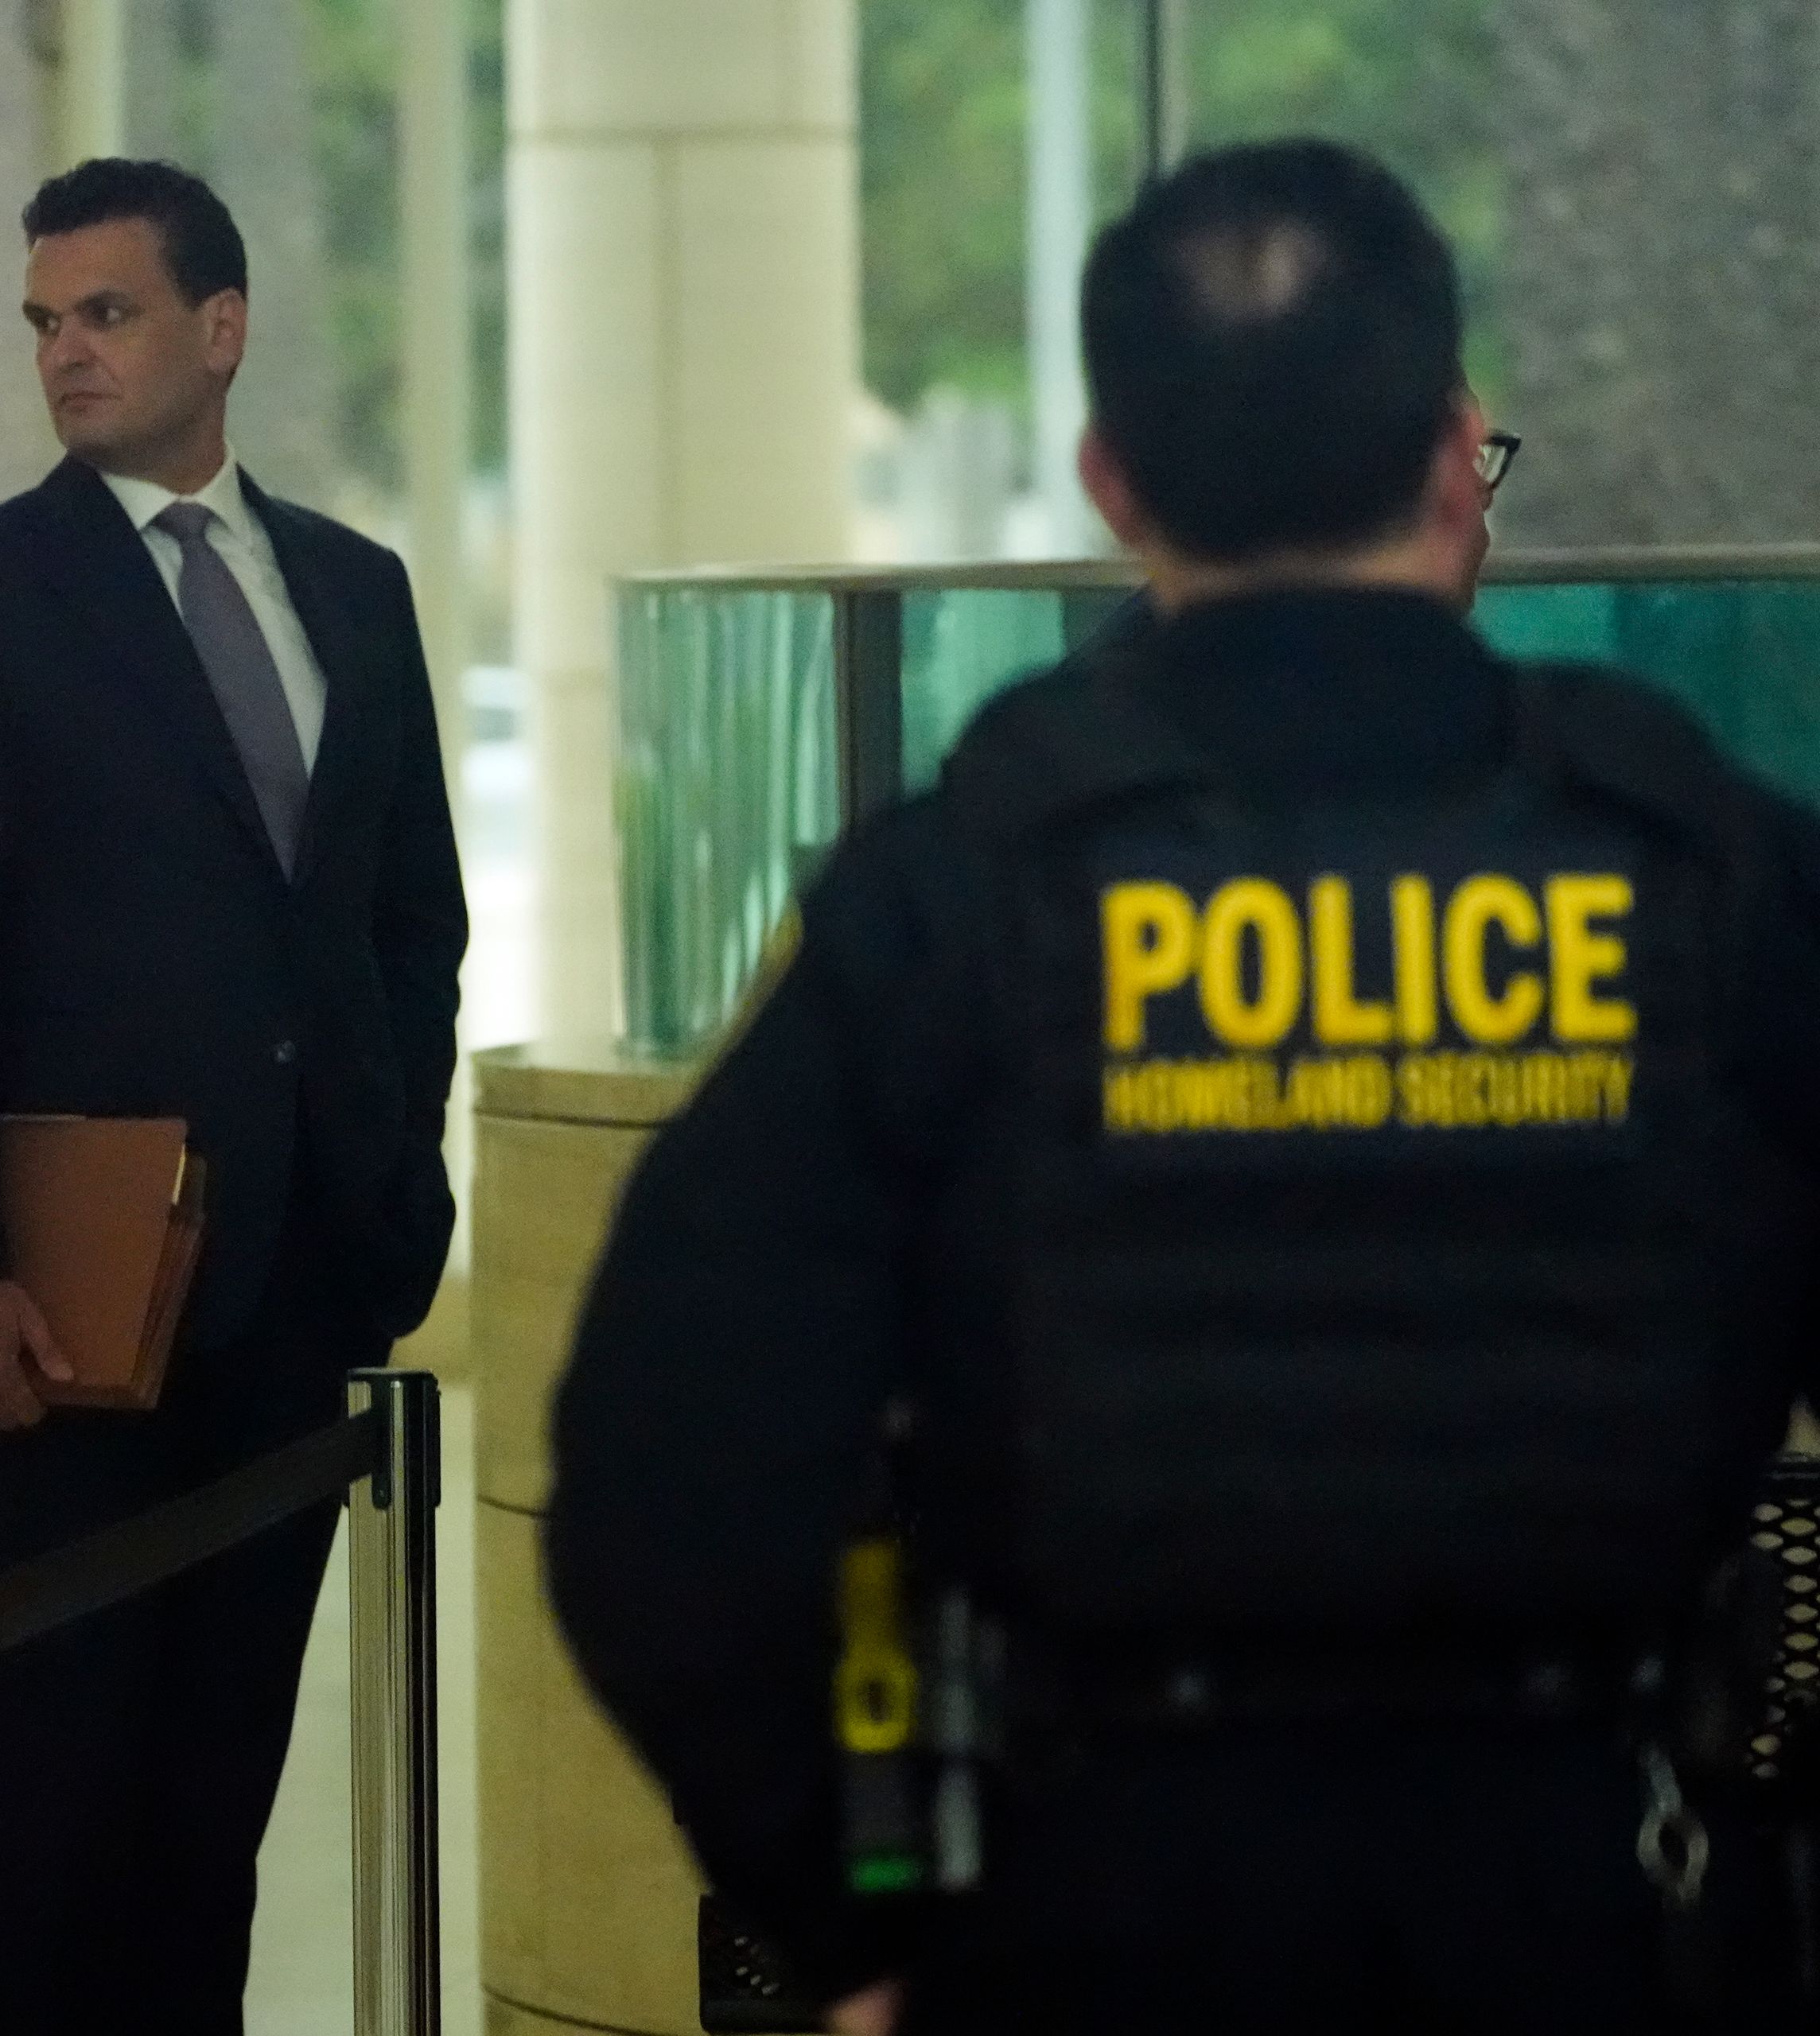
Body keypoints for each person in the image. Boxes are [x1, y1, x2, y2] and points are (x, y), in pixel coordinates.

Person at [547, 138, 1820, 2036]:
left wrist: (858, 1914)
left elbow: (670, 1490)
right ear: (1456, 445)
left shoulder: (962, 886)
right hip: (1594, 1909)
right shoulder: (1706, 868)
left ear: (1113, 479)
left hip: (1086, 1921)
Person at [0, 157, 468, 2034]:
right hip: (70, 1305)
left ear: (223, 327)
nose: (65, 353)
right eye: (44, 321)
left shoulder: (354, 594)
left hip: (301, 1289)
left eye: (104, 313)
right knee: (52, 1796)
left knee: (216, 1809)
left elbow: (408, 925)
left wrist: (395, 1188)